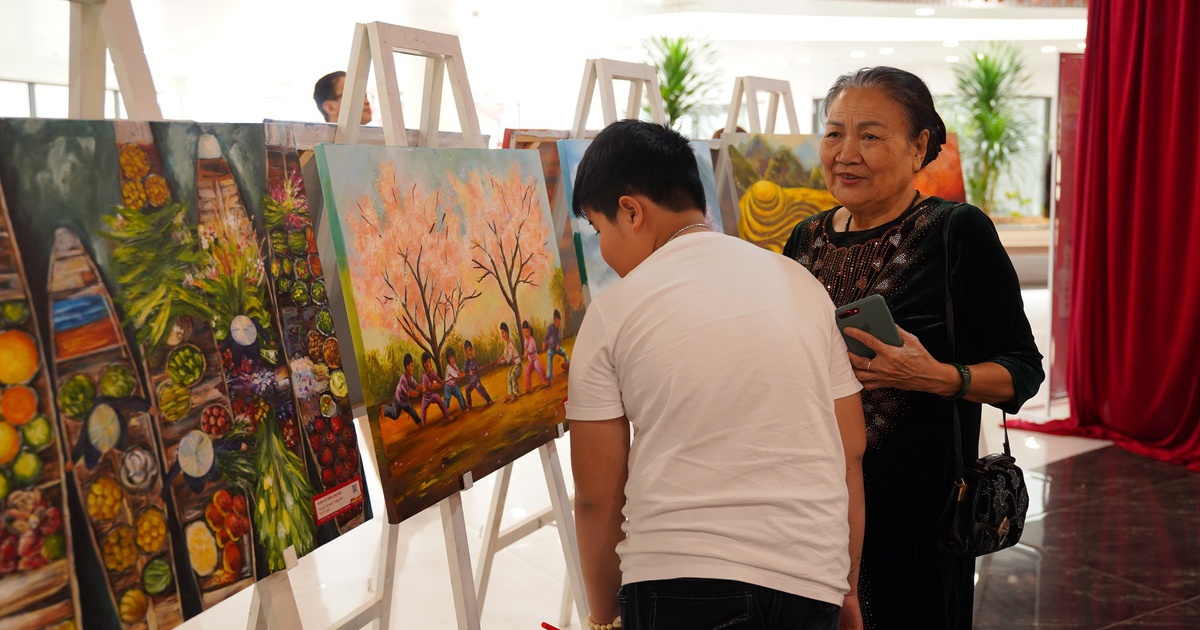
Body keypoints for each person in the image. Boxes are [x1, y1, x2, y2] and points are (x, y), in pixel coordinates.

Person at [567, 119, 867, 630]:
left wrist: (601, 618)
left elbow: (598, 495)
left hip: (678, 579)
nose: (605, 254)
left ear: (631, 212)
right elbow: (850, 450)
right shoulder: (801, 285)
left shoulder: (612, 312)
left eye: (598, 232)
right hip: (809, 579)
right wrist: (846, 587)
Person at [782, 66, 1044, 630]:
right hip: (808, 503)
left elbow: (1022, 371)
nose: (845, 153)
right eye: (834, 133)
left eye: (870, 136)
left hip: (917, 514)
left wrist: (938, 376)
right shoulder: (805, 238)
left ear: (919, 145)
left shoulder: (957, 232)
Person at [381, 354, 422, 427]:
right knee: (395, 415)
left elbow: (416, 385)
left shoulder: (411, 378)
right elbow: (410, 393)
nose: (413, 368)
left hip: (404, 401)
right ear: (407, 367)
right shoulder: (403, 379)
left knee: (413, 412)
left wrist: (424, 387)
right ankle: (385, 408)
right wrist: (419, 393)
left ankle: (420, 424)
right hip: (398, 400)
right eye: (411, 366)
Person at [418, 352, 452, 424]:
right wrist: (438, 384)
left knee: (439, 399)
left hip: (432, 395)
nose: (430, 364)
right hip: (426, 397)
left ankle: (447, 415)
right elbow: (431, 387)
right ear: (425, 365)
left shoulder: (433, 373)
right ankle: (423, 423)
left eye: (430, 362)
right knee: (423, 409)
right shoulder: (424, 376)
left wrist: (442, 382)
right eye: (428, 363)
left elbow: (438, 379)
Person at [461, 341, 493, 407]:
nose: (469, 353)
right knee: (467, 389)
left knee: (480, 387)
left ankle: (489, 400)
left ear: (472, 350)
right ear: (466, 353)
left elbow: (478, 368)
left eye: (470, 350)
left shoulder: (475, 360)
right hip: (471, 382)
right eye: (467, 352)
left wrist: (480, 368)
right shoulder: (466, 363)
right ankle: (469, 404)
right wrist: (467, 373)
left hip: (476, 380)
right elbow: (464, 371)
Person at [521, 320, 548, 392]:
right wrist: (524, 353)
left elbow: (529, 351)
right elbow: (525, 348)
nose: (525, 334)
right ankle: (528, 388)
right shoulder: (525, 340)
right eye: (524, 332)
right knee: (527, 369)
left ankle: (546, 381)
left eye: (527, 332)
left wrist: (525, 355)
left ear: (530, 331)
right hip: (531, 361)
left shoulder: (532, 341)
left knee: (538, 367)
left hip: (535, 359)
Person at [543, 309, 570, 381]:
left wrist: (558, 345)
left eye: (560, 322)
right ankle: (549, 377)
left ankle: (568, 365)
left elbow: (559, 340)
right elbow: (546, 337)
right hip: (551, 349)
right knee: (549, 360)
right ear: (555, 320)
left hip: (557, 348)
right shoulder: (550, 328)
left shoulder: (558, 331)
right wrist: (544, 344)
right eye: (558, 321)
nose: (559, 323)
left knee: (564, 352)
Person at [499, 322, 521, 402]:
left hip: (518, 365)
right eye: (501, 333)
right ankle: (510, 393)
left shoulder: (510, 343)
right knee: (508, 375)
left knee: (513, 375)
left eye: (503, 333)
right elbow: (505, 354)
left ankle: (515, 393)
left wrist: (502, 362)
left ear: (507, 332)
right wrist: (499, 359)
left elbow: (508, 358)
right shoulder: (507, 343)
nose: (502, 335)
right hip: (514, 365)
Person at [443, 348, 468, 413]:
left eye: (454, 358)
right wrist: (462, 375)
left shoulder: (455, 365)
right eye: (451, 358)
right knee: (447, 399)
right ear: (448, 359)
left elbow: (458, 372)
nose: (453, 360)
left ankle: (464, 408)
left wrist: (463, 373)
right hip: (448, 387)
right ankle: (445, 411)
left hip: (453, 385)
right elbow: (455, 375)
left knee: (459, 394)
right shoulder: (448, 367)